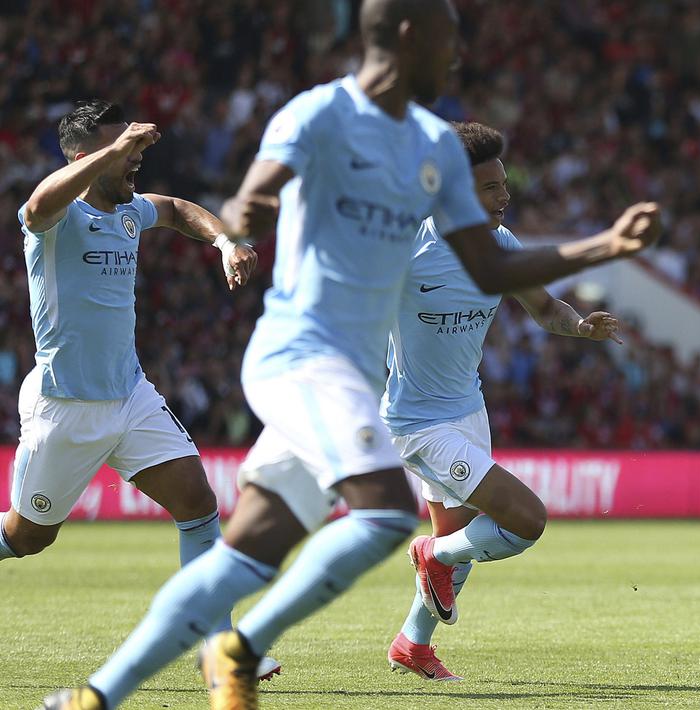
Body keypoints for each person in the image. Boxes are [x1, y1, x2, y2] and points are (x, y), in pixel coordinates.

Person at [44, 1, 660, 708]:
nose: (456, 56)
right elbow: (251, 198)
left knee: (249, 550)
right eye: (447, 39)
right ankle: (240, 654)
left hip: (353, 378)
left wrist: (603, 248)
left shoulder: (431, 146)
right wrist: (239, 226)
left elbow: (490, 268)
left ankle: (96, 696)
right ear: (405, 36)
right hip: (301, 353)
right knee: (387, 514)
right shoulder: (317, 117)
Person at [5, 99, 279, 680]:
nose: (135, 164)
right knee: (26, 538)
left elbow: (177, 209)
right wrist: (115, 149)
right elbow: (35, 204)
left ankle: (219, 649)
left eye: (134, 151)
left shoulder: (130, 215)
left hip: (130, 397)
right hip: (65, 407)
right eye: (122, 152)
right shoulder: (56, 220)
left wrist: (225, 242)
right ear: (86, 157)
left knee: (199, 505)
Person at [385, 122, 625, 681]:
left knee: (460, 543)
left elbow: (545, 309)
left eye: (503, 184)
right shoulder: (407, 247)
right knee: (523, 521)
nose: (504, 196)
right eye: (490, 187)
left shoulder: (501, 244)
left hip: (468, 410)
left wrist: (581, 327)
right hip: (417, 420)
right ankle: (430, 556)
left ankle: (412, 643)